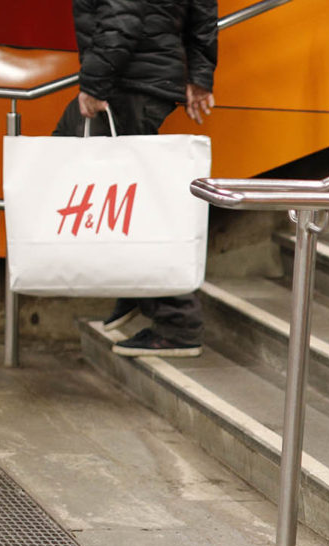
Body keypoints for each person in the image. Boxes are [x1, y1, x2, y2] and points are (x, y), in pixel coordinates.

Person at [53, 0, 219, 358]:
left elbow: (123, 12)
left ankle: (177, 321)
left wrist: (96, 83)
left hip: (128, 78)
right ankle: (135, 282)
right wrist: (199, 75)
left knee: (133, 202)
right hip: (142, 76)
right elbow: (202, 9)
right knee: (126, 193)